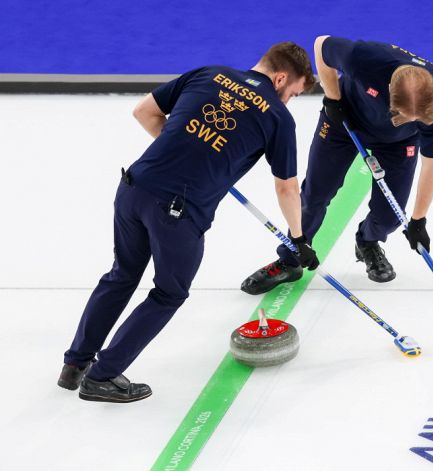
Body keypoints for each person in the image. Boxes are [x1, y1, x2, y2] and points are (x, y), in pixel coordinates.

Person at [58, 42, 319, 403]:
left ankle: (75, 364)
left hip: (134, 187)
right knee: (169, 293)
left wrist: (189, 153)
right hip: (178, 213)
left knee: (121, 274)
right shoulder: (276, 115)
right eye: (292, 93)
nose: (289, 101)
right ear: (279, 79)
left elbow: (144, 112)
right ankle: (102, 376)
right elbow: (287, 187)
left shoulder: (209, 73)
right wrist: (299, 238)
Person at [241, 36, 433, 295]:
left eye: (416, 119)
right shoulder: (365, 58)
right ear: (388, 93)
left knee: (390, 216)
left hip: (399, 143)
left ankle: (367, 241)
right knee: (315, 195)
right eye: (403, 116)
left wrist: (419, 220)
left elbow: (432, 164)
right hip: (344, 121)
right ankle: (291, 258)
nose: (409, 120)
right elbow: (321, 44)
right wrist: (332, 99)